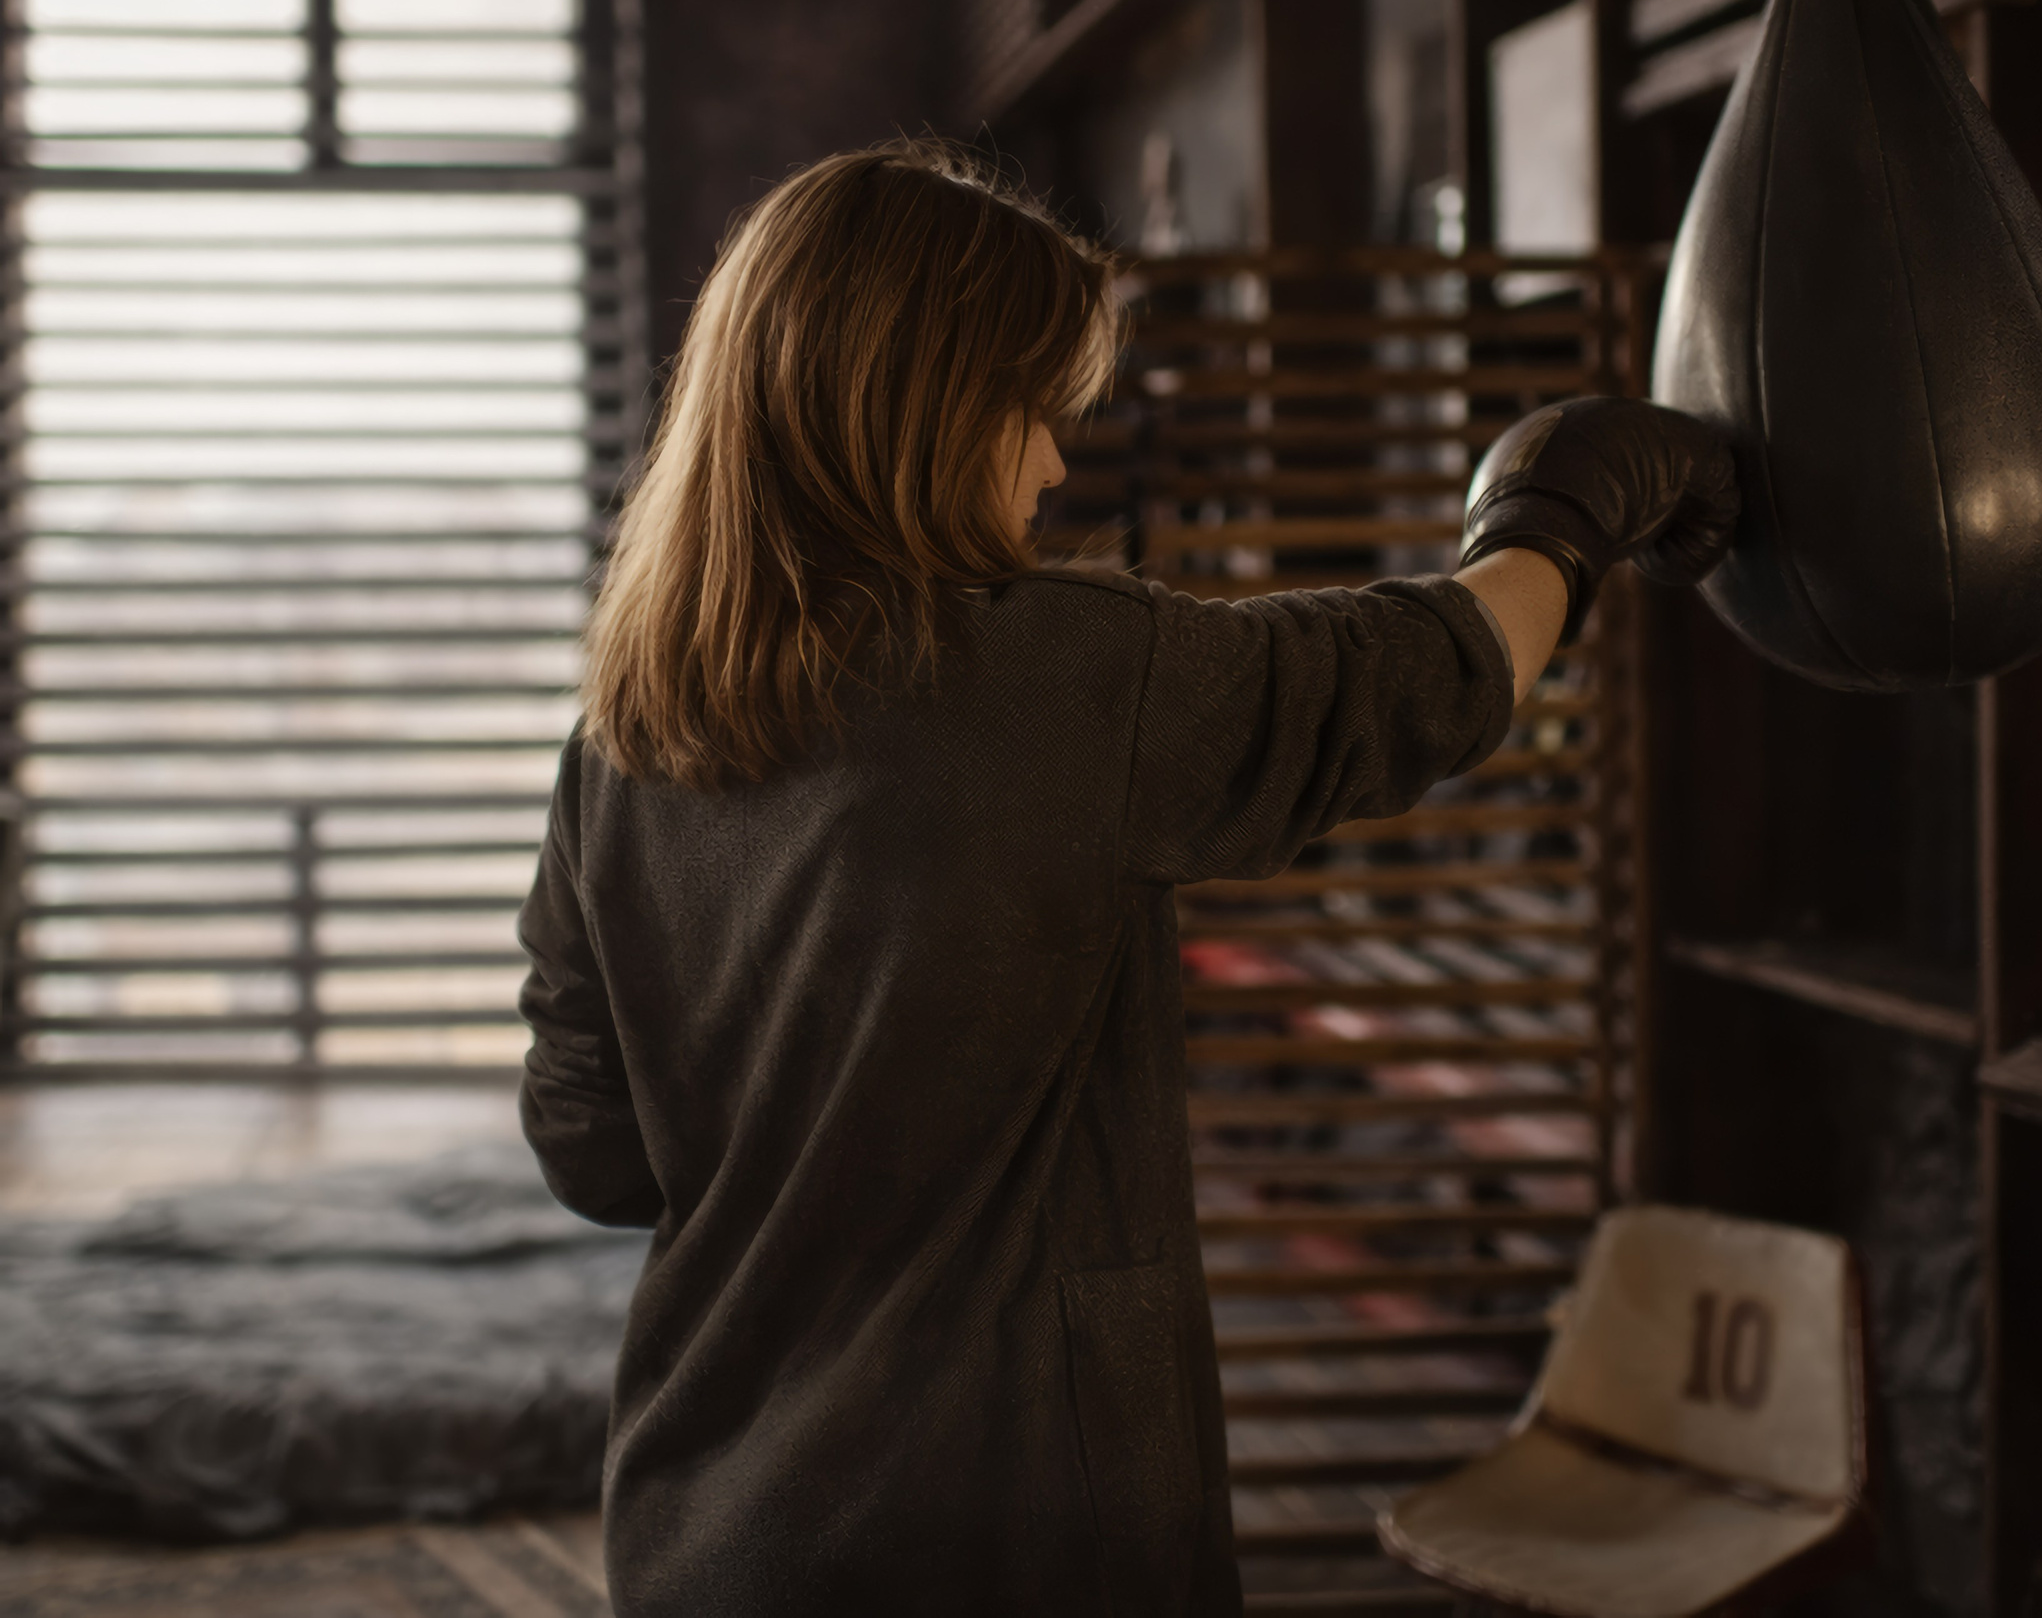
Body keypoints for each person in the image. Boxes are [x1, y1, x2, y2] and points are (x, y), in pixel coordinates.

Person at [515, 140, 1737, 1616]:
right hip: (1016, 1534)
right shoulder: (1056, 679)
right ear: (925, 408)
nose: (1052, 462)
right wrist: (1561, 514)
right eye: (1032, 412)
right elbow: (1424, 674)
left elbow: (593, 1154)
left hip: (711, 1528)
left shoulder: (623, 742)